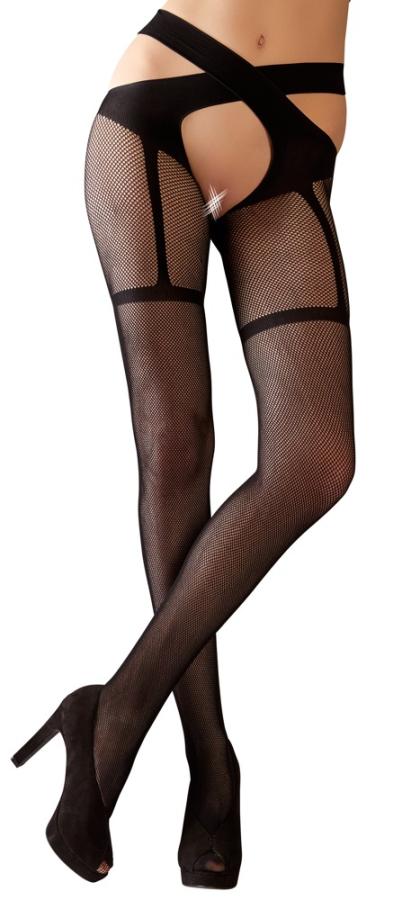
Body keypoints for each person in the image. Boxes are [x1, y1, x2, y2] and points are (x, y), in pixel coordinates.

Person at [11, 0, 355, 889]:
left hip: (298, 127)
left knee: (316, 460)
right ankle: (211, 765)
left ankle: (114, 709)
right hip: (164, 103)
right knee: (175, 443)